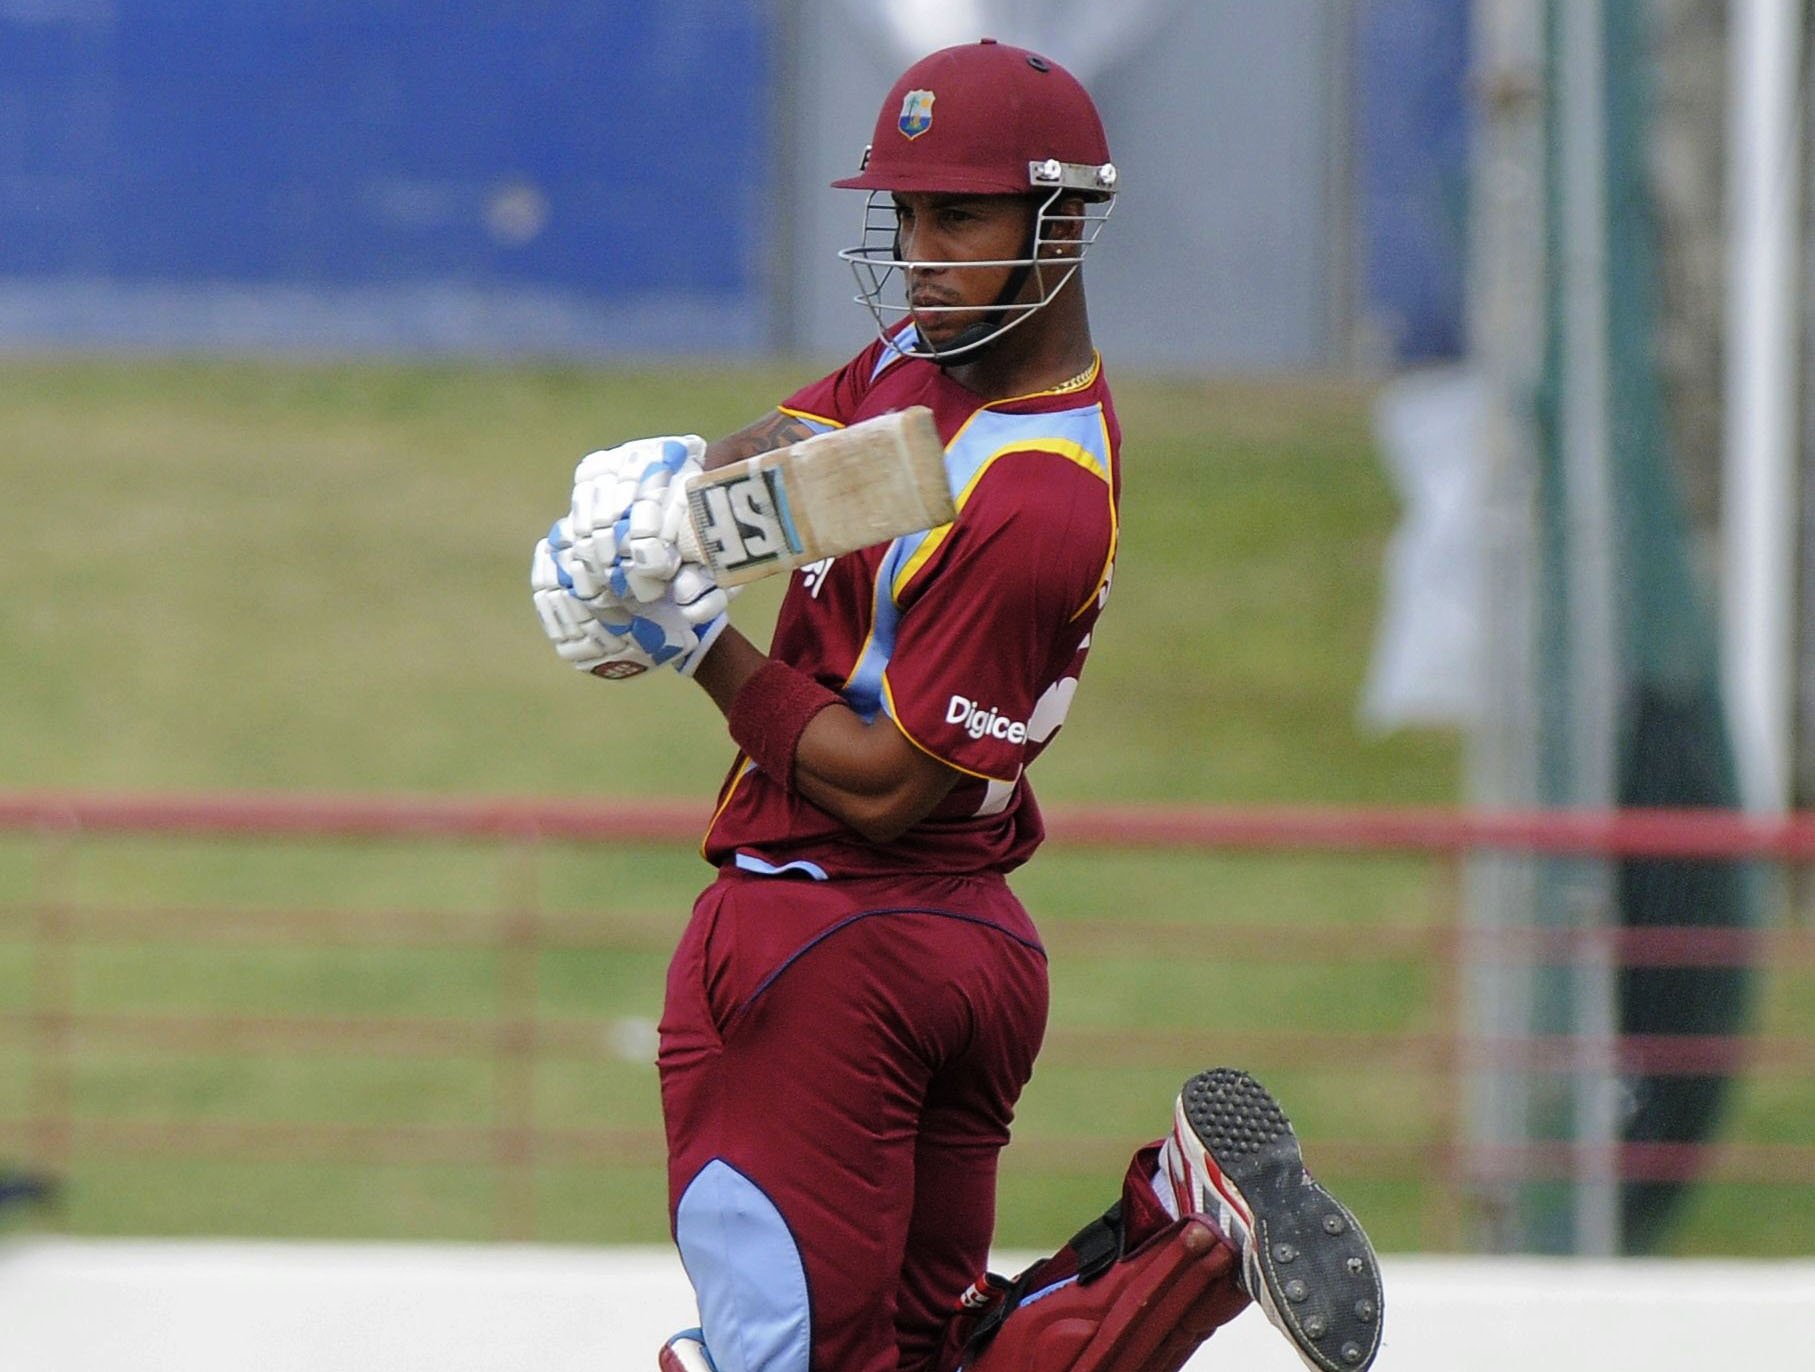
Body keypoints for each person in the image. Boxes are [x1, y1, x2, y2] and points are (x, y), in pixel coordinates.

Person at [529, 39, 1383, 1372]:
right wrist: (667, 503)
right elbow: (791, 468)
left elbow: (876, 781)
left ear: (1065, 222)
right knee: (926, 1358)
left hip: (825, 937)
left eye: (961, 214)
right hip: (959, 943)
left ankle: (1186, 1237)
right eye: (907, 214)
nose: (922, 252)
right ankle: (1180, 1236)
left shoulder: (1036, 498)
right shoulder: (923, 376)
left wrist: (693, 644)